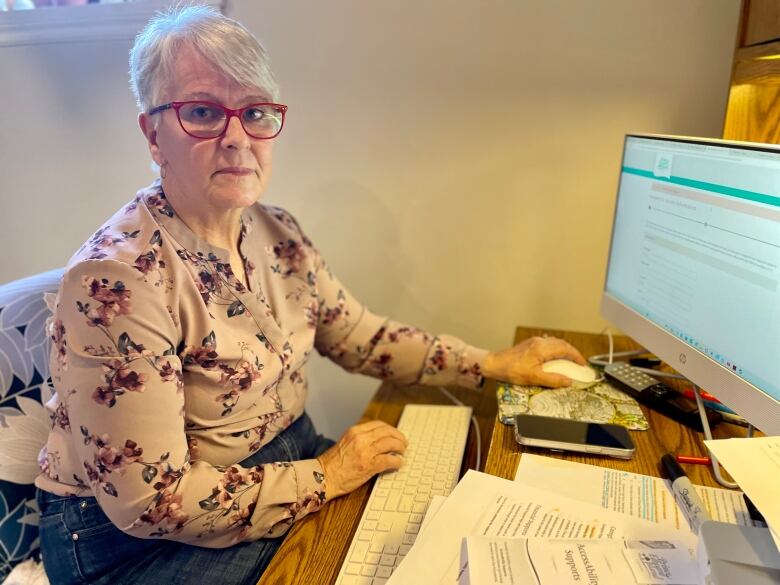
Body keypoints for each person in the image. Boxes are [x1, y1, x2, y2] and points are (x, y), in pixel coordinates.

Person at [34, 5, 585, 584]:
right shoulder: (115, 281)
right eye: (202, 112)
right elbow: (152, 502)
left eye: (256, 113)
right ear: (152, 133)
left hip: (282, 462)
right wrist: (328, 476)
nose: (236, 139)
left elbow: (358, 337)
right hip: (128, 541)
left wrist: (492, 364)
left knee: (440, 527)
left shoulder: (277, 231)